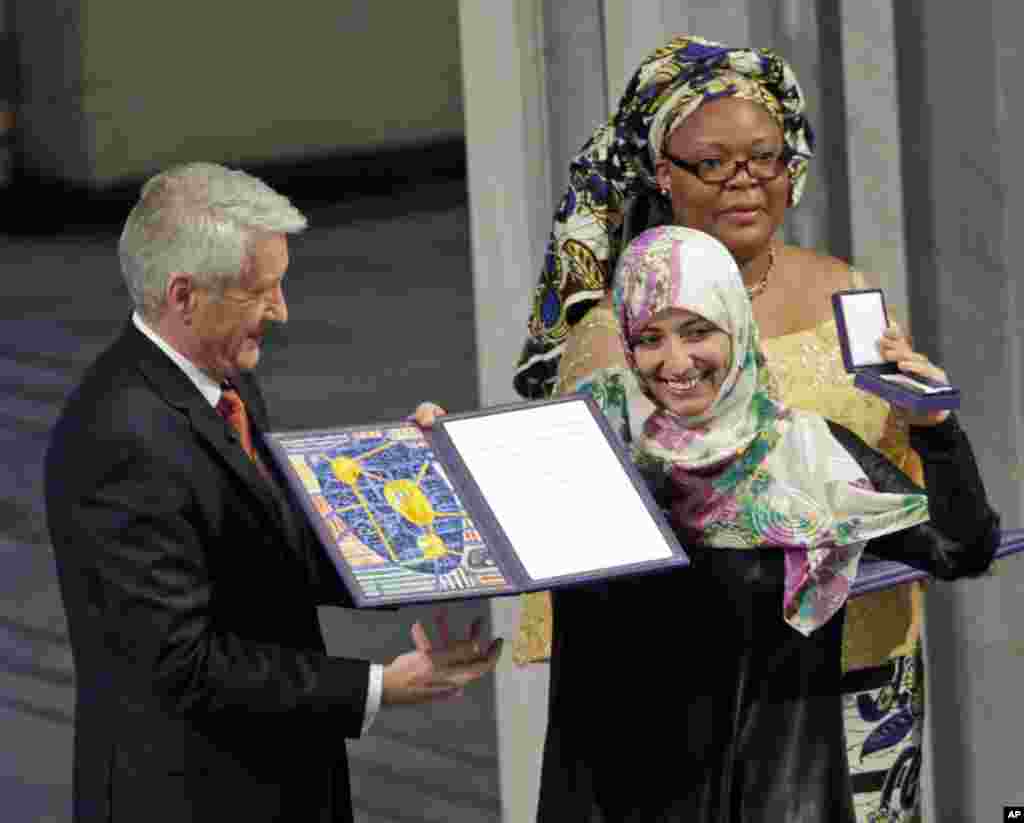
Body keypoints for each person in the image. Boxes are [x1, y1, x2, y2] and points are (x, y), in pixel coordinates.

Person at [513, 34, 931, 819]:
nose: (744, 181)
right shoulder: (615, 334)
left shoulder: (847, 287)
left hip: (868, 662)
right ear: (663, 175)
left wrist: (922, 419)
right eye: (713, 164)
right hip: (712, 702)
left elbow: (901, 477)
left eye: (765, 158)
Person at [44, 162, 502, 823]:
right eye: (261, 290)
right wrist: (378, 686)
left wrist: (407, 477)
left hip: (277, 782)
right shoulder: (120, 437)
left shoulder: (220, 382)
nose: (281, 310)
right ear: (184, 296)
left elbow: (279, 540)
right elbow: (182, 661)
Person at [532, 224, 998, 820]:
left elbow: (963, 547)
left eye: (698, 331)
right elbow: (463, 530)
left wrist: (936, 431)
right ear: (625, 341)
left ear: (736, 323)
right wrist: (430, 453)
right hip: (614, 804)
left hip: (775, 802)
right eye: (650, 337)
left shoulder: (802, 457)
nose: (677, 362)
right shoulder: (580, 451)